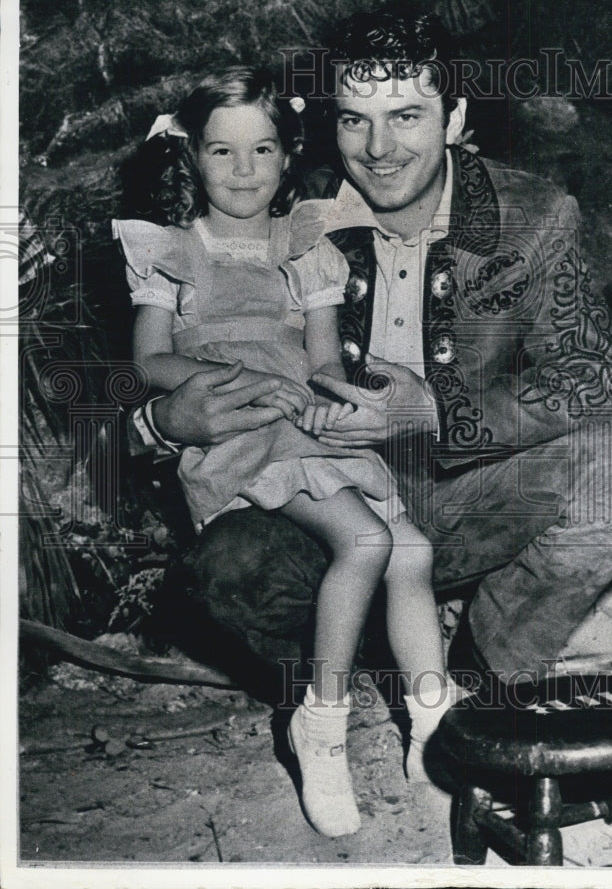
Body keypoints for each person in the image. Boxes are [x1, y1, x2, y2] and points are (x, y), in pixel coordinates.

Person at [128, 7, 612, 715]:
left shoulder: (531, 214)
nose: (378, 148)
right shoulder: (286, 200)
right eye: (354, 120)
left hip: (471, 493)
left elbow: (595, 377)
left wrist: (437, 412)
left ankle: (487, 674)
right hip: (326, 496)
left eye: (407, 116)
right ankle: (342, 675)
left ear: (454, 118)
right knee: (226, 572)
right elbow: (169, 341)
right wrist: (163, 423)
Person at [114, 67, 451, 838]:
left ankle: (434, 723)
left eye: (262, 150)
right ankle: (320, 725)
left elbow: (324, 360)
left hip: (300, 422)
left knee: (411, 550)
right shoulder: (171, 248)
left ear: (288, 154)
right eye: (222, 152)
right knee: (364, 541)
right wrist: (238, 382)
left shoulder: (304, 245)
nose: (244, 171)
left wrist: (340, 399)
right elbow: (150, 362)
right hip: (237, 426)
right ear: (192, 157)